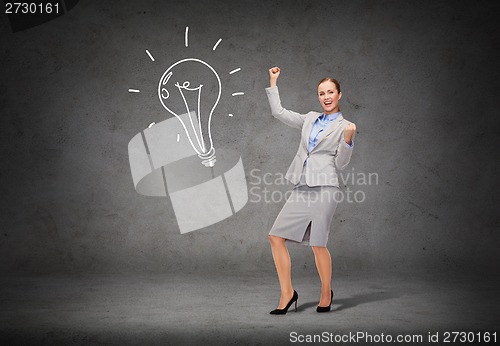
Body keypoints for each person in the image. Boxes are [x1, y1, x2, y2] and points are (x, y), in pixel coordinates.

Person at [266, 66, 356, 314]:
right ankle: (288, 293)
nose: (326, 97)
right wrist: (273, 83)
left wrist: (348, 141)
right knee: (275, 237)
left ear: (339, 95)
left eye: (330, 92)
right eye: (321, 93)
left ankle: (326, 292)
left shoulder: (346, 126)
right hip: (302, 185)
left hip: (326, 188)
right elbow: (278, 112)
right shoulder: (309, 118)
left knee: (318, 244)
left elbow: (341, 163)